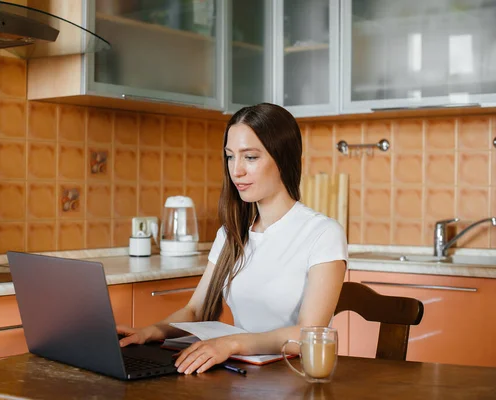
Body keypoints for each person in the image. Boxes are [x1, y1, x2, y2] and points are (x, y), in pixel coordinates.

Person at [117, 103, 347, 374]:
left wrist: (232, 343)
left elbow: (309, 334)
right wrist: (151, 331)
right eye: (230, 156)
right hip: (241, 375)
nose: (236, 170)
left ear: (283, 158)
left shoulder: (322, 233)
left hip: (294, 378)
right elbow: (196, 311)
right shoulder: (231, 233)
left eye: (250, 157)